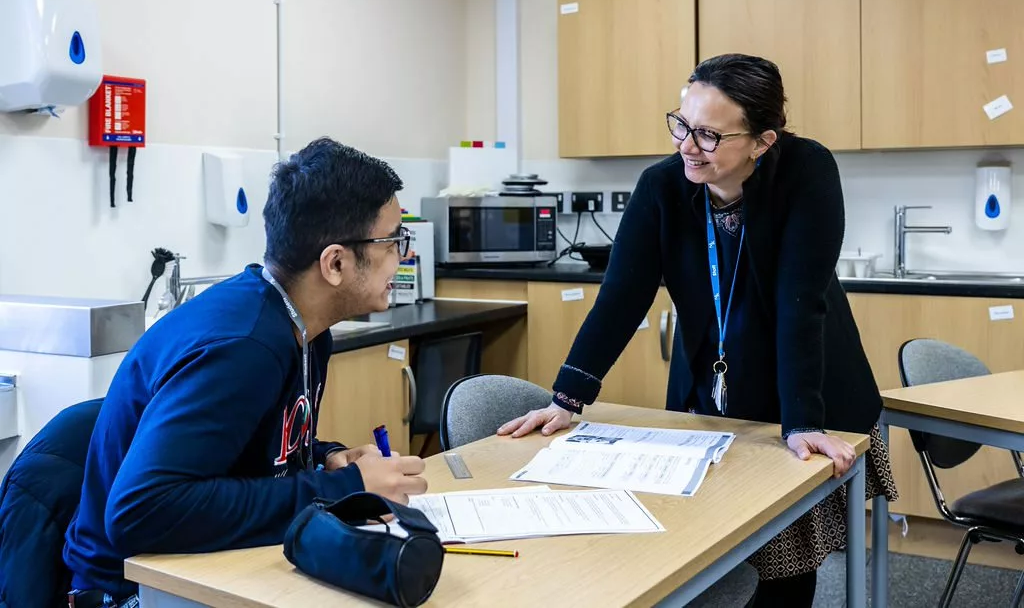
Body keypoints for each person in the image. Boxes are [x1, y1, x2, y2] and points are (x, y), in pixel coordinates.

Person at [498, 54, 898, 607]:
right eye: (682, 125)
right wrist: (569, 395)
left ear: (761, 140)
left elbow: (798, 302)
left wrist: (801, 419)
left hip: (804, 383)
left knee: (783, 567)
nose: (688, 145)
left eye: (709, 135)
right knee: (704, 551)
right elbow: (621, 296)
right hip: (708, 389)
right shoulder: (661, 186)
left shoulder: (805, 170)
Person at [63, 137, 428, 607]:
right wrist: (345, 489)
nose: (402, 253)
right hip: (134, 589)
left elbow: (248, 450)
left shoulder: (306, 328)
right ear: (335, 263)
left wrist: (326, 459)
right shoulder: (244, 346)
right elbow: (141, 509)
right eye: (393, 240)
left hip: (213, 566)